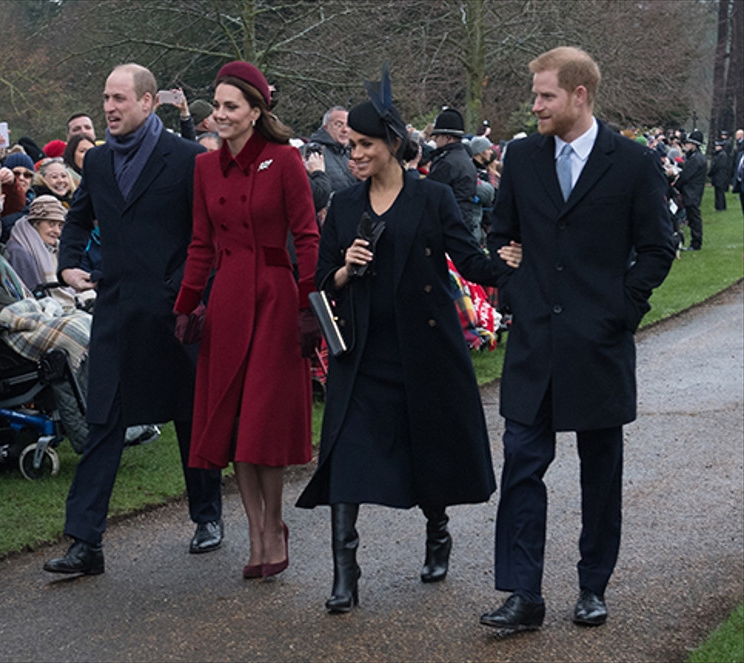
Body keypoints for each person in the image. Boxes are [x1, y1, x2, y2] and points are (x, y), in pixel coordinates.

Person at [295, 64, 521, 614]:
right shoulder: (345, 206)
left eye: (365, 145)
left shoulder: (433, 198)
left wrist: (508, 263)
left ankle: (437, 529)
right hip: (363, 350)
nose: (355, 156)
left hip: (424, 349)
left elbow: (467, 260)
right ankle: (344, 577)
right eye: (350, 147)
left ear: (393, 145)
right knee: (344, 456)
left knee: (429, 452)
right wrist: (346, 269)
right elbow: (320, 281)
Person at [481, 46, 674, 632]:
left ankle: (593, 586)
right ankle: (523, 593)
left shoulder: (634, 164)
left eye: (545, 95)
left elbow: (659, 248)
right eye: (535, 94)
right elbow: (500, 234)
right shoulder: (520, 157)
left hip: (598, 346)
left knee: (600, 471)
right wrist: (511, 286)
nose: (534, 105)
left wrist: (620, 310)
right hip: (534, 345)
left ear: (579, 95)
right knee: (521, 466)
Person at [43, 63, 223, 577]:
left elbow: (204, 236)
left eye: (120, 98)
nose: (109, 107)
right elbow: (78, 217)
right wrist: (69, 260)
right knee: (103, 421)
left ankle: (207, 516)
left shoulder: (187, 158)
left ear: (148, 103)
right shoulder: (97, 163)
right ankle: (85, 542)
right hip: (117, 312)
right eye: (105, 98)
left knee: (190, 416)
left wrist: (184, 291)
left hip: (175, 312)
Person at [173, 61, 320, 581]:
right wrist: (187, 304)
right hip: (229, 299)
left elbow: (306, 236)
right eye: (216, 106)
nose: (220, 115)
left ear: (257, 112)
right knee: (235, 421)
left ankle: (273, 526)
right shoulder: (204, 168)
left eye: (231, 106)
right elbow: (200, 242)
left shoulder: (284, 161)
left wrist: (308, 305)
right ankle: (255, 530)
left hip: (276, 300)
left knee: (262, 421)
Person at [427, 107, 479, 240]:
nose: (435, 140)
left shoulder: (447, 162)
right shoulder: (463, 157)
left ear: (448, 137)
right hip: (463, 221)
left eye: (438, 136)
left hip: (448, 224)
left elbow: (430, 194)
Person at [308, 106, 356, 193]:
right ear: (326, 127)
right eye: (339, 124)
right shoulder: (312, 152)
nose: (345, 130)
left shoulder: (353, 154)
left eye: (348, 125)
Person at [674, 130, 706, 251]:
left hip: (692, 192)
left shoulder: (695, 159)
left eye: (688, 143)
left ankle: (696, 243)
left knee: (694, 218)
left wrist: (676, 185)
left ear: (694, 144)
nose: (686, 145)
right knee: (693, 217)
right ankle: (695, 242)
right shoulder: (696, 157)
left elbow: (686, 176)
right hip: (694, 191)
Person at [707, 141, 730, 212]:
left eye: (718, 146)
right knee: (719, 192)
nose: (716, 147)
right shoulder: (720, 154)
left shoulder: (721, 155)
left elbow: (716, 166)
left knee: (719, 192)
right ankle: (721, 206)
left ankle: (720, 207)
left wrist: (710, 173)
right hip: (719, 176)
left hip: (720, 176)